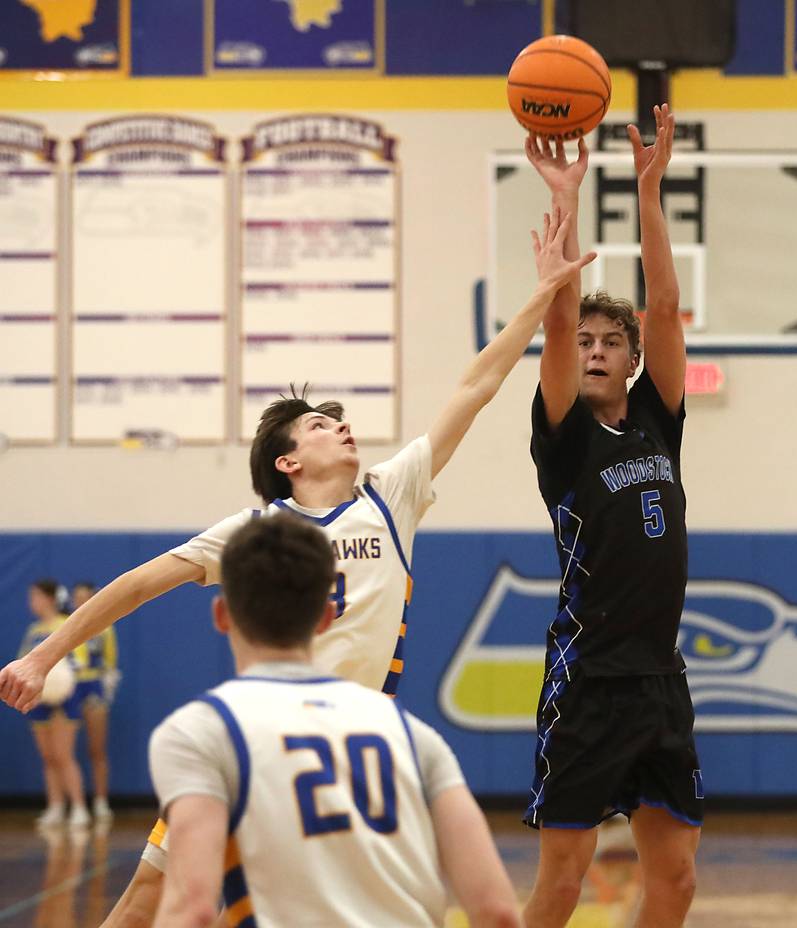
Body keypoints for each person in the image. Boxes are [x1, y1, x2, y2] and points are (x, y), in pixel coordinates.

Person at [0, 210, 596, 928]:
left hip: (358, 748)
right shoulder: (256, 533)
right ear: (288, 463)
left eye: (338, 419)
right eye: (320, 424)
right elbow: (135, 585)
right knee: (149, 900)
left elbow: (476, 385)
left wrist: (541, 295)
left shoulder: (390, 494)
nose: (341, 426)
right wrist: (42, 655)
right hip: (258, 738)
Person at [149, 514, 521, 928]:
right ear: (326, 617)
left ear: (221, 615)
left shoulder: (198, 733)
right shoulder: (413, 735)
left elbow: (192, 909)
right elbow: (498, 912)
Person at [521, 105, 702, 928]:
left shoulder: (657, 419)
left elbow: (664, 306)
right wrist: (565, 203)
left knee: (677, 879)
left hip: (660, 679)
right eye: (586, 340)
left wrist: (650, 190)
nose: (593, 348)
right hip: (588, 682)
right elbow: (556, 322)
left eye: (609, 341)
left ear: (631, 361)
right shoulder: (564, 440)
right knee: (563, 880)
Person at [19, 579, 91, 828]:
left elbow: (80, 658)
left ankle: (79, 807)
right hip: (39, 698)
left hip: (64, 696)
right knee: (48, 756)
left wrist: (61, 676)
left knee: (63, 754)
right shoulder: (33, 631)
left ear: (49, 598)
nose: (32, 602)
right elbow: (23, 663)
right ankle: (56, 806)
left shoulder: (65, 626)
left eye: (35, 596)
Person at [72, 581, 118, 822]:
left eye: (85, 597)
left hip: (94, 686)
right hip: (69, 686)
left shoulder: (105, 627)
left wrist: (107, 686)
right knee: (62, 750)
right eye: (76, 597)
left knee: (96, 748)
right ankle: (67, 806)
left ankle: (101, 801)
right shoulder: (64, 625)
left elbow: (110, 662)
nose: (80, 602)